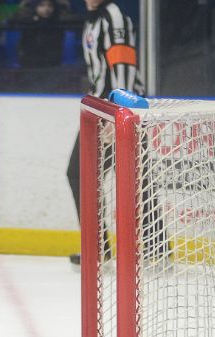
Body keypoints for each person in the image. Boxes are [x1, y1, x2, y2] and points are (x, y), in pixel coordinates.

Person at [66, 0, 144, 268]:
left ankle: (100, 248)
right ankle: (104, 247)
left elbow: (124, 67)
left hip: (115, 111)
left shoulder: (114, 17)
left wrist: (118, 113)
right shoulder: (94, 17)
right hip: (100, 109)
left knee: (82, 172)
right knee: (134, 176)